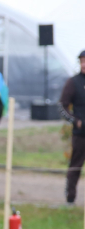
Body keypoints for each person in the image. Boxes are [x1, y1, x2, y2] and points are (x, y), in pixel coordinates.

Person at [58, 50, 85, 205]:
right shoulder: (73, 82)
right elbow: (62, 106)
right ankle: (70, 198)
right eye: (82, 61)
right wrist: (76, 121)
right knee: (75, 167)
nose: (84, 64)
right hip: (80, 134)